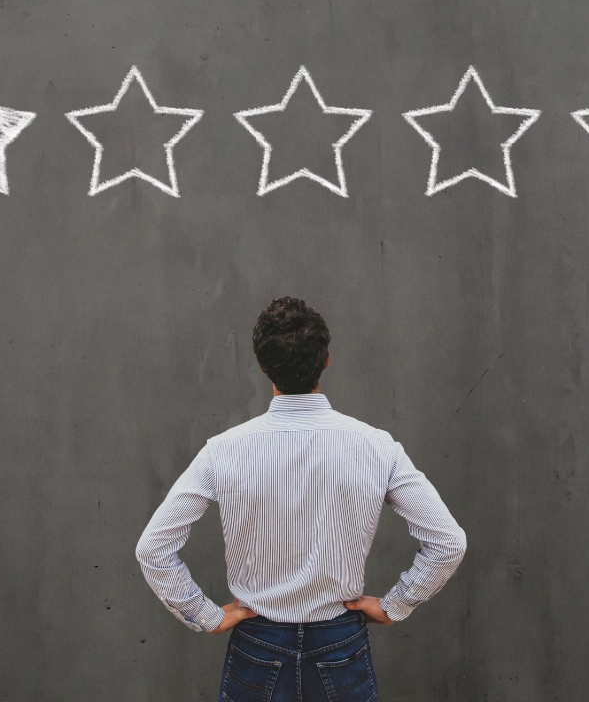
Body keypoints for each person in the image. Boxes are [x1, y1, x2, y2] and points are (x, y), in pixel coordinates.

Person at [136, 297, 467, 701]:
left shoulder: (223, 451)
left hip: (257, 646)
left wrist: (205, 615)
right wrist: (395, 605)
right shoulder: (377, 447)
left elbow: (153, 549)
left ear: (262, 366)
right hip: (340, 644)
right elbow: (448, 543)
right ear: (325, 360)